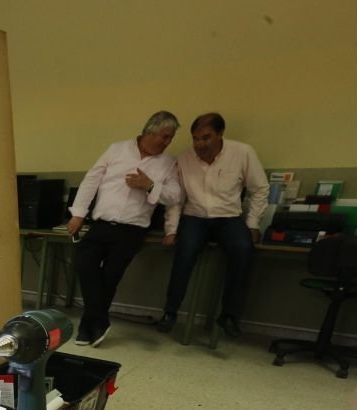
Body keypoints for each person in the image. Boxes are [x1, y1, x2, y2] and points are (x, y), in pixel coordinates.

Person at [67, 111, 182, 347]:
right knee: (84, 264)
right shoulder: (116, 149)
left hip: (132, 229)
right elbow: (92, 180)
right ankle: (100, 320)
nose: (168, 142)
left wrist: (150, 185)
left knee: (110, 277)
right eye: (165, 136)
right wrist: (78, 213)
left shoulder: (169, 163)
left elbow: (176, 197)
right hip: (101, 223)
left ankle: (87, 327)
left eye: (171, 138)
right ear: (150, 131)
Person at [156, 113, 269, 337]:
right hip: (195, 217)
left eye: (206, 138)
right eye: (195, 139)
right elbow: (177, 199)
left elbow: (260, 189)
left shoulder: (242, 152)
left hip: (229, 217)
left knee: (243, 250)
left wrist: (253, 223)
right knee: (184, 252)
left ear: (220, 135)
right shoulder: (184, 159)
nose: (200, 144)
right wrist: (171, 229)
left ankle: (229, 315)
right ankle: (170, 312)